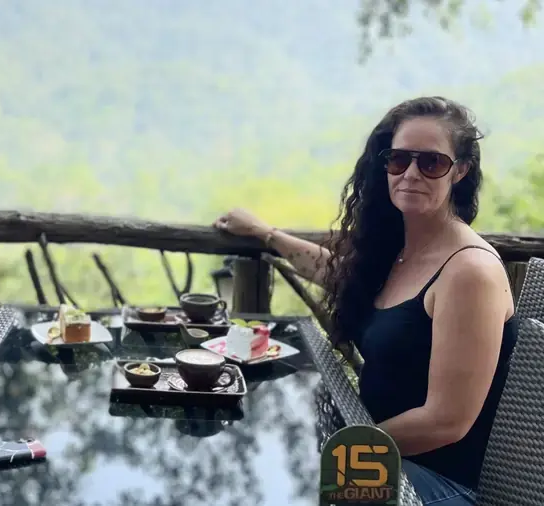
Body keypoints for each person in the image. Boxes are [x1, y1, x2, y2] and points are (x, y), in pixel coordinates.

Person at [214, 96, 517, 505]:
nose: (411, 173)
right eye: (398, 159)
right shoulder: (403, 250)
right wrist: (266, 234)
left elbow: (447, 421)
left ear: (460, 171)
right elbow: (337, 274)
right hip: (380, 457)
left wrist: (335, 450)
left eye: (431, 163)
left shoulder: (468, 272)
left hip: (436, 485)